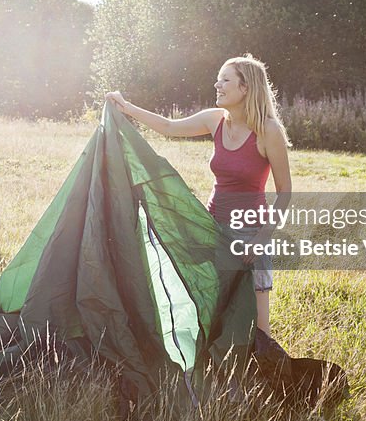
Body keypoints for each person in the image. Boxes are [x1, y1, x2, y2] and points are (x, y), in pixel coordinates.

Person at [105, 54, 291, 336]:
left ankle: (261, 367)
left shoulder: (268, 130)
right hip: (213, 225)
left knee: (258, 319)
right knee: (216, 304)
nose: (217, 84)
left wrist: (262, 238)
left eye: (225, 79)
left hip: (250, 232)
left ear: (246, 88)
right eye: (218, 78)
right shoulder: (215, 120)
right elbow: (169, 127)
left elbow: (285, 191)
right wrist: (126, 107)